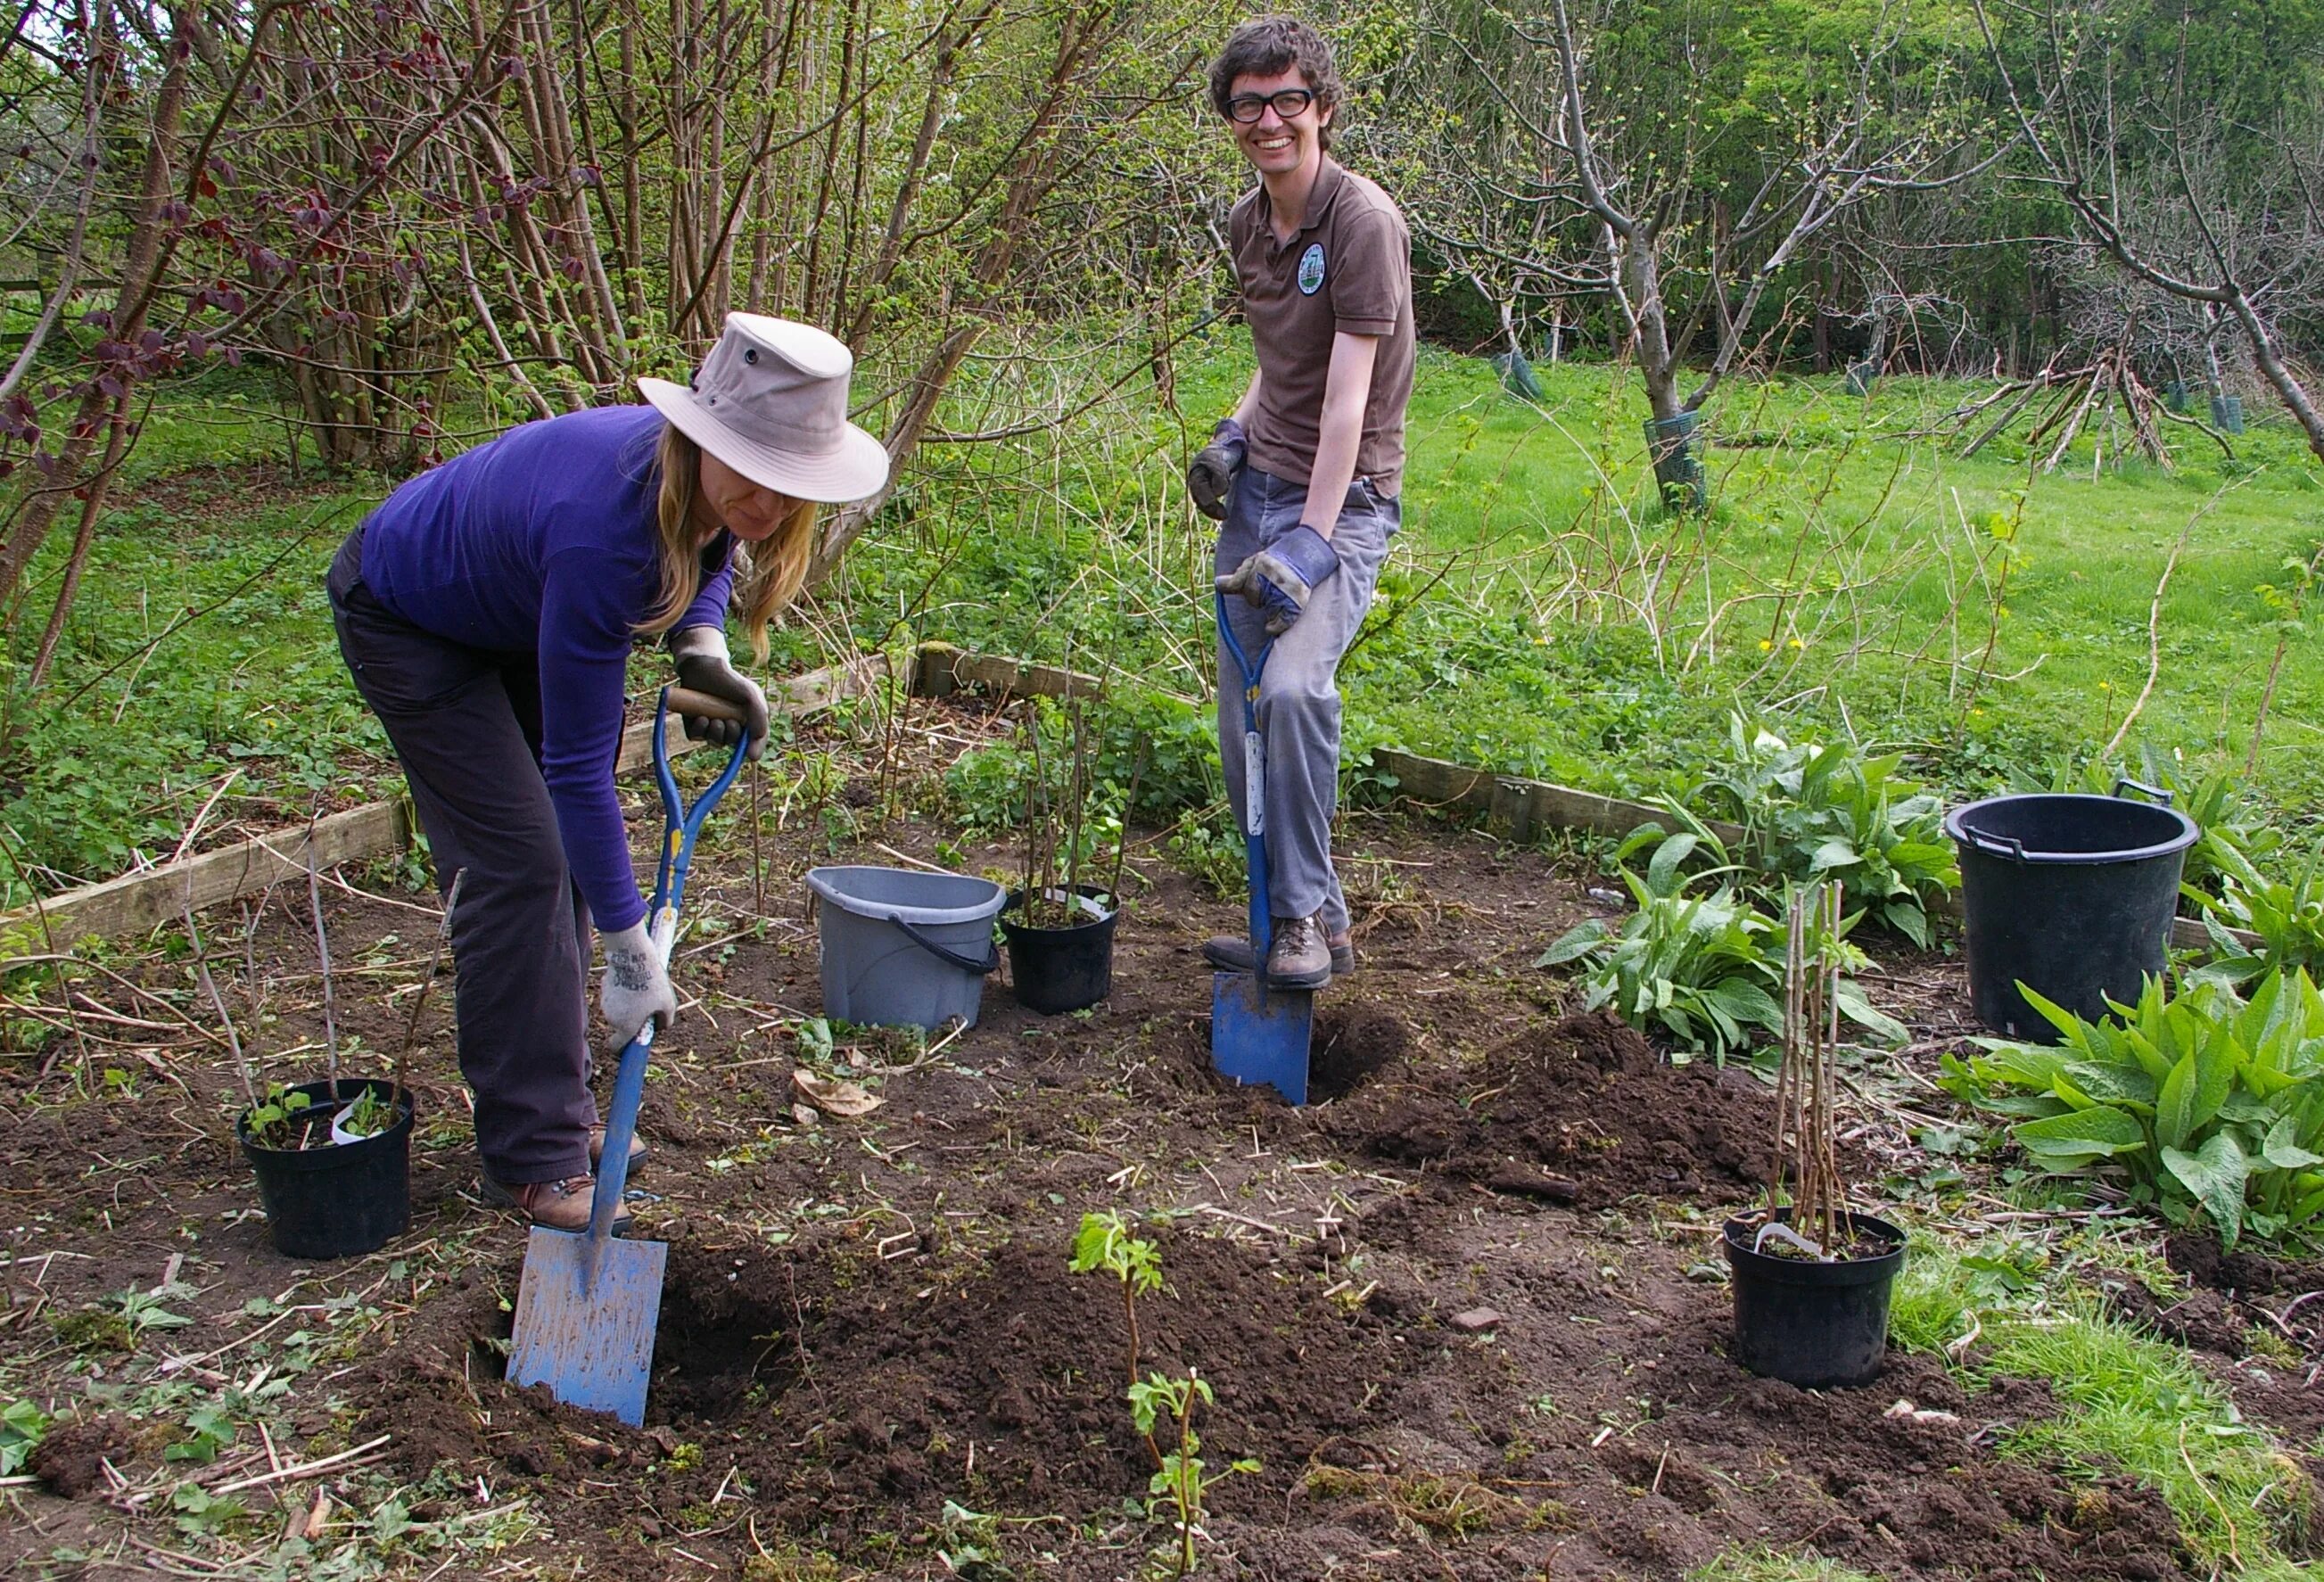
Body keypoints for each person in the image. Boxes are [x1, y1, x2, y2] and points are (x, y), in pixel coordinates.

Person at [326, 314, 887, 1230]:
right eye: (753, 467)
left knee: (558, 859)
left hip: (504, 609)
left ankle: (556, 1115)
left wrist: (701, 646)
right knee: (520, 863)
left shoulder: (703, 489)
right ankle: (531, 1155)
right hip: (409, 619)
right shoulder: (603, 530)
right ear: (702, 437)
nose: (769, 501)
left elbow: (711, 546)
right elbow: (579, 770)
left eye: (791, 482)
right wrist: (630, 952)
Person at [1193, 16, 1414, 989]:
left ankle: (1296, 920)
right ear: (1231, 119)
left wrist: (1314, 544)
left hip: (1344, 497)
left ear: (1321, 109)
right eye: (1249, 104)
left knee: (1290, 692)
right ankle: (1307, 914)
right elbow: (1278, 365)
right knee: (1240, 712)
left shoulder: (1360, 222)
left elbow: (1344, 402)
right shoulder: (1248, 223)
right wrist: (1232, 435)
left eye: (1288, 100)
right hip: (1262, 487)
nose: (1269, 120)